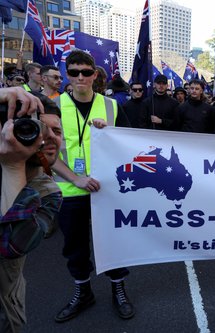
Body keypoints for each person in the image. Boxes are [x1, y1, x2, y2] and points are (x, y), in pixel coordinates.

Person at [51, 50, 134, 323]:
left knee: (113, 242)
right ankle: (83, 292)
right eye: (73, 72)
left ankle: (118, 289)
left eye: (86, 72)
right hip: (70, 189)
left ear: (95, 74)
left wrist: (109, 135)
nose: (80, 77)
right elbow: (45, 152)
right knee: (75, 247)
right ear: (66, 74)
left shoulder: (111, 106)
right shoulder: (53, 106)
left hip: (107, 191)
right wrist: (75, 179)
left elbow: (129, 146)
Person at [0, 87, 62, 332]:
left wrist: (13, 166)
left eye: (56, 131)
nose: (45, 138)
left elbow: (11, 246)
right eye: (33, 128)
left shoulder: (48, 192)